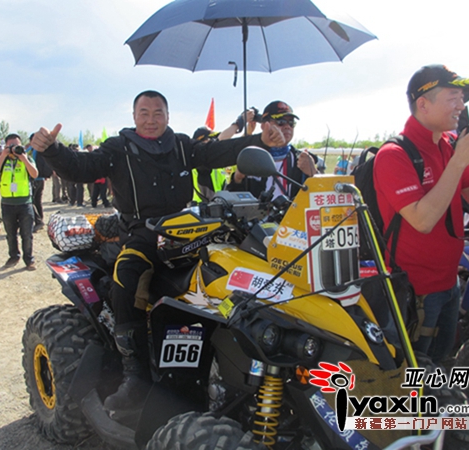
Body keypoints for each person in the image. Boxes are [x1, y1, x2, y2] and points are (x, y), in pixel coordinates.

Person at [31, 90, 287, 422]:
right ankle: (135, 376)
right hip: (142, 231)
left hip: (187, 228)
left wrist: (258, 140)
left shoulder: (180, 145)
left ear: (167, 116)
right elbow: (81, 167)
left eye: (158, 113)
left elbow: (216, 152)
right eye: (144, 113)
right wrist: (52, 149)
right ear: (134, 116)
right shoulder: (117, 148)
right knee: (126, 275)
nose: (151, 119)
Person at [374, 64, 469, 363]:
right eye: (453, 98)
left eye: (462, 98)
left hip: (449, 282)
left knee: (441, 365)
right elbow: (422, 220)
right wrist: (460, 160)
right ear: (423, 104)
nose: (461, 106)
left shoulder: (448, 145)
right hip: (415, 291)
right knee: (414, 372)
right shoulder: (394, 155)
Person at [226, 100, 318, 200]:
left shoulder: (303, 159)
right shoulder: (251, 157)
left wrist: (314, 174)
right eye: (281, 122)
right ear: (263, 125)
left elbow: (322, 197)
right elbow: (233, 199)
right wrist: (237, 179)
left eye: (291, 123)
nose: (287, 127)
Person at [0, 133, 39, 270]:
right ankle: (13, 256)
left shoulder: (27, 158)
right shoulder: (3, 160)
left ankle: (29, 259)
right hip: (7, 203)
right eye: (11, 146)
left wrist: (23, 158)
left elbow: (35, 174)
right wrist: (3, 155)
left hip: (25, 203)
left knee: (27, 234)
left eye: (17, 145)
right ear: (5, 146)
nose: (14, 148)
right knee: (11, 234)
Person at [192, 108, 258, 201]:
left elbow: (232, 148)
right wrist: (240, 121)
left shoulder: (217, 162)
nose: (214, 143)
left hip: (220, 205)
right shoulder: (198, 162)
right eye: (210, 139)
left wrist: (248, 133)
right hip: (201, 208)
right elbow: (219, 143)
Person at [28, 133, 53, 231]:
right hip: (41, 178)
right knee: (37, 201)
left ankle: (38, 221)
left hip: (33, 179)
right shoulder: (42, 150)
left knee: (30, 201)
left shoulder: (31, 150)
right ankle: (40, 219)